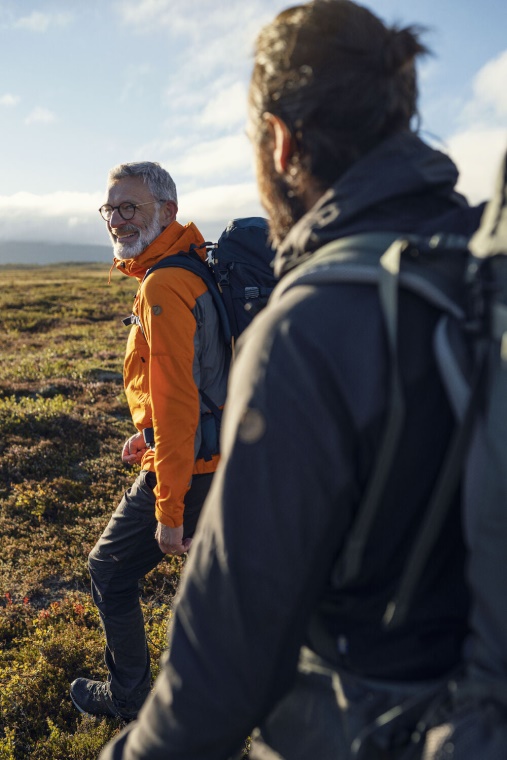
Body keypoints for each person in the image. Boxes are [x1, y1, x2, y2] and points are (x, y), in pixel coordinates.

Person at [99, 2, 487, 757]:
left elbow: (219, 674)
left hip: (370, 718)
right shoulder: (477, 266)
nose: (115, 217)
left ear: (279, 142)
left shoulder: (313, 322)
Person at [70, 161, 229, 720]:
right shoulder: (191, 266)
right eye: (110, 209)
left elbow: (180, 400)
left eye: (129, 207)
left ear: (168, 211)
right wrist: (147, 437)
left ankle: (130, 699)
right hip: (214, 456)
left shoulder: (163, 284)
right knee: (223, 589)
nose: (116, 220)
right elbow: (206, 376)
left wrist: (168, 508)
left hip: (190, 468)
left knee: (109, 571)